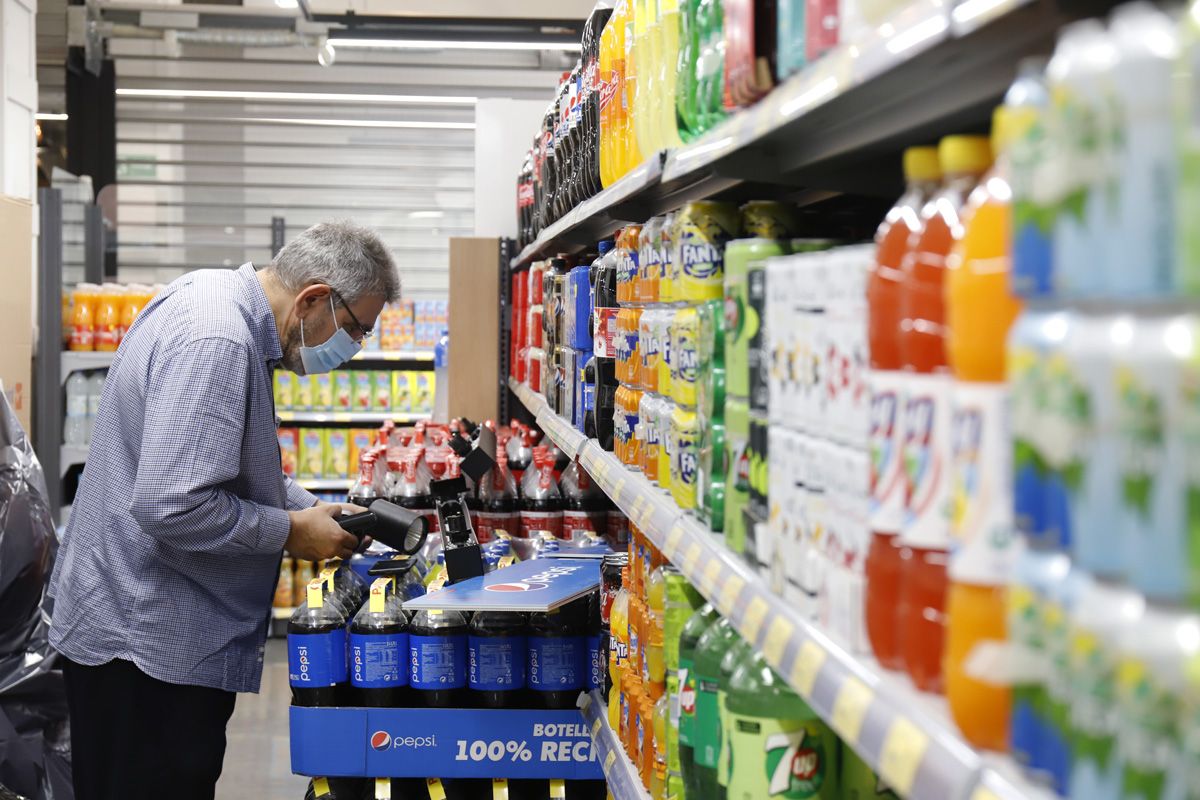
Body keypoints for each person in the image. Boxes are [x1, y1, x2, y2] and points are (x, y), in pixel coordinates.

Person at [48, 222, 400, 800]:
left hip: (142, 637)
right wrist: (290, 531)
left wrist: (310, 509)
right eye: (355, 329)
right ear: (313, 297)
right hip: (146, 651)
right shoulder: (219, 342)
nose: (354, 346)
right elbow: (173, 506)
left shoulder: (214, 299)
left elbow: (222, 463)